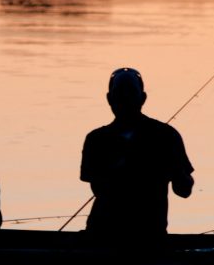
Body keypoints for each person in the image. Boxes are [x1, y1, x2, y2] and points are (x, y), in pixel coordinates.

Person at [80, 68, 194, 240]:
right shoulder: (96, 139)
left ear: (143, 98)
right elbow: (98, 188)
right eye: (119, 93)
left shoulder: (167, 135)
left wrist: (175, 169)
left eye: (130, 93)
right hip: (102, 234)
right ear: (109, 99)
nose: (125, 99)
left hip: (150, 234)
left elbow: (184, 191)